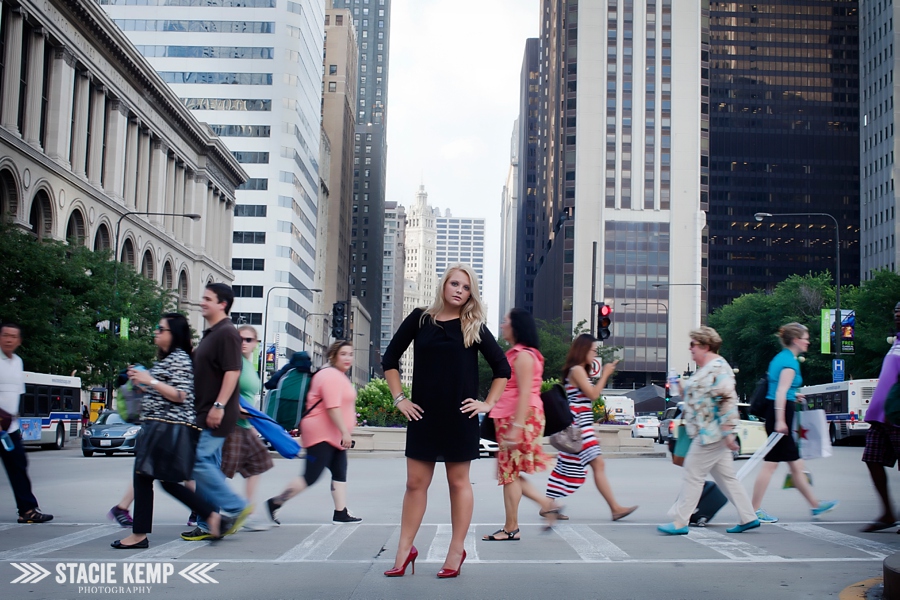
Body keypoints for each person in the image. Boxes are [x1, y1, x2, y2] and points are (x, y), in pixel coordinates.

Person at [382, 264, 510, 578]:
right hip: (423, 414)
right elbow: (389, 359)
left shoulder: (473, 324)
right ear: (443, 284)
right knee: (415, 483)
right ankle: (404, 549)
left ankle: (456, 550)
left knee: (458, 483)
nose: (458, 290)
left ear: (471, 294)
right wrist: (400, 400)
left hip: (459, 416)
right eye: (454, 283)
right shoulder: (420, 318)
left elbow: (502, 368)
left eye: (465, 287)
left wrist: (487, 404)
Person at [111, 314, 232, 549]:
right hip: (161, 428)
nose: (156, 332)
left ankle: (142, 534)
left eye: (161, 329)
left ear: (173, 334)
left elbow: (180, 395)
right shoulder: (169, 359)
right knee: (157, 480)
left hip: (168, 429)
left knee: (150, 479)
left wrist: (150, 381)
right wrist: (142, 382)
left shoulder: (179, 359)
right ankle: (211, 517)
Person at [657, 327, 759, 535]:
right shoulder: (707, 369)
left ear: (705, 345)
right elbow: (697, 396)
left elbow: (728, 400)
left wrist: (728, 430)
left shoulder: (719, 368)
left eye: (693, 344)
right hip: (710, 432)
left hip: (710, 433)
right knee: (726, 478)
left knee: (692, 474)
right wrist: (680, 386)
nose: (690, 348)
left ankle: (680, 522)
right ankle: (748, 517)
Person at [473, 308, 559, 541]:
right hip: (514, 416)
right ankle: (539, 509)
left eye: (505, 322)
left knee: (509, 472)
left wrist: (517, 426)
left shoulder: (523, 356)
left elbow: (523, 394)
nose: (502, 326)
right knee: (509, 472)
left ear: (517, 326)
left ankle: (514, 526)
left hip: (518, 417)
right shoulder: (518, 354)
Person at [182, 283, 252, 541]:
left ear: (222, 303)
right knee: (206, 465)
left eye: (207, 299)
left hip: (217, 413)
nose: (202, 302)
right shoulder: (211, 333)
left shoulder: (227, 333)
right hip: (204, 412)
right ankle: (208, 522)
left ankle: (236, 507)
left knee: (199, 462)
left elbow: (233, 371)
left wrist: (219, 406)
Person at [266, 341, 362, 525]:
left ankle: (340, 512)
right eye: (343, 354)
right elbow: (332, 407)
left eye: (350, 354)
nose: (348, 358)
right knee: (311, 476)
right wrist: (345, 432)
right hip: (322, 433)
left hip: (332, 434)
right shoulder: (330, 376)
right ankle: (275, 502)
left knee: (340, 471)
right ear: (333, 356)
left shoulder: (337, 375)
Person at [752, 322, 839, 523]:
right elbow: (780, 391)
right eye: (805, 338)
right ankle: (753, 509)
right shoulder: (790, 362)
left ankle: (815, 505)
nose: (808, 341)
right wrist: (781, 420)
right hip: (779, 416)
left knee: (795, 465)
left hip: (779, 413)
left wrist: (794, 395)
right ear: (795, 340)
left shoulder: (781, 358)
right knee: (772, 464)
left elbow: (781, 389)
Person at [544, 334, 637, 521]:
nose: (595, 355)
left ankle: (548, 505)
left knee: (566, 467)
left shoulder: (577, 370)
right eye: (593, 351)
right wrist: (606, 374)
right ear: (583, 350)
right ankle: (615, 508)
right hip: (580, 429)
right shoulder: (577, 370)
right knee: (597, 465)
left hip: (580, 427)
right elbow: (593, 395)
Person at [220, 325, 274, 531]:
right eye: (240, 338)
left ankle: (247, 512)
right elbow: (225, 388)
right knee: (221, 470)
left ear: (256, 343)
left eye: (249, 340)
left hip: (244, 424)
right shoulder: (234, 363)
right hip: (232, 423)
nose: (244, 343)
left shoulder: (249, 364)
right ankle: (208, 510)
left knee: (258, 463)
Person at [0, 323, 52, 523]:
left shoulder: (18, 362)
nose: (9, 339)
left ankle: (27, 510)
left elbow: (16, 395)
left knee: (19, 466)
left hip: (9, 429)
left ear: (19, 341)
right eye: (5, 335)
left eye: (13, 336)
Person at [860, 302, 900, 532]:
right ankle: (887, 512)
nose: (897, 316)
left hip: (897, 415)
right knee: (872, 458)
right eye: (895, 312)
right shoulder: (896, 342)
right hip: (879, 415)